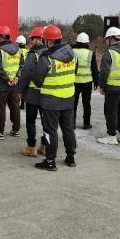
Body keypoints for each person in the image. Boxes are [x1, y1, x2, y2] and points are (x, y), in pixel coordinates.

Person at [31, 25, 77, 170]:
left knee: (50, 131)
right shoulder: (72, 54)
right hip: (68, 98)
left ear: (48, 41)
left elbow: (37, 78)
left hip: (51, 101)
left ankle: (50, 161)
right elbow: (74, 71)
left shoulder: (47, 58)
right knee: (68, 129)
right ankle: (70, 158)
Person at [97, 26, 120, 145]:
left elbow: (104, 72)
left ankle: (111, 136)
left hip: (112, 88)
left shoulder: (110, 53)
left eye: (107, 39)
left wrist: (102, 86)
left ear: (111, 39)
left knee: (111, 112)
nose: (106, 42)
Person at [17, 26, 49, 157]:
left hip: (33, 94)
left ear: (39, 39)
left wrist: (20, 91)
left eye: (33, 39)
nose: (30, 41)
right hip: (47, 93)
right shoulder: (51, 53)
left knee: (30, 120)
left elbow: (25, 75)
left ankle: (31, 147)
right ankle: (45, 146)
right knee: (47, 121)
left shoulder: (32, 54)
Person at [0, 25, 24, 140]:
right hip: (14, 84)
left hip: (1, 84)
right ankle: (15, 130)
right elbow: (21, 65)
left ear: (1, 37)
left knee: (0, 109)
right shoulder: (18, 49)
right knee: (15, 107)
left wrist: (6, 79)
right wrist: (17, 77)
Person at [72, 32, 99, 129]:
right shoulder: (91, 53)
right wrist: (96, 82)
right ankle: (86, 124)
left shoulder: (72, 51)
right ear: (87, 42)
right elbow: (94, 69)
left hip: (74, 82)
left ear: (77, 41)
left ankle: (72, 124)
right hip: (87, 82)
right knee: (86, 104)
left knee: (73, 104)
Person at [16, 35, 28, 109]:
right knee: (24, 90)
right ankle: (23, 104)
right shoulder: (28, 51)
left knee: (18, 90)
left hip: (20, 73)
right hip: (27, 74)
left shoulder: (18, 52)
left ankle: (18, 104)